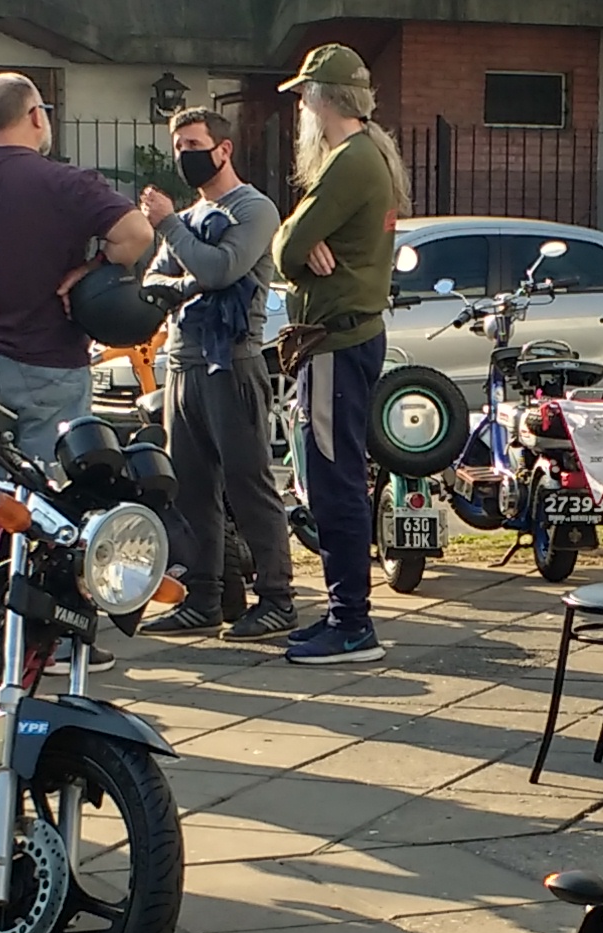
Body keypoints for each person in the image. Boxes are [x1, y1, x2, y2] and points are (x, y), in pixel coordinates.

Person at [270, 43, 406, 665]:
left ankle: (351, 622)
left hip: (335, 341)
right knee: (336, 475)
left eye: (303, 96)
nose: (300, 108)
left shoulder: (348, 161)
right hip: (347, 338)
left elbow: (285, 249)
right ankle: (343, 614)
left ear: (321, 99)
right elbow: (298, 244)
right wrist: (303, 243)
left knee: (334, 482)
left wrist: (300, 244)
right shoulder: (371, 152)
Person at [139, 107, 292, 640]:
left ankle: (277, 599)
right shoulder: (189, 216)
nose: (185, 154)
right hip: (184, 364)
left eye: (194, 144)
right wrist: (188, 280)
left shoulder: (254, 208)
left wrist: (170, 229)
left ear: (223, 149)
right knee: (191, 489)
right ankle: (204, 598)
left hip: (232, 362)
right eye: (178, 145)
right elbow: (155, 280)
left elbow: (221, 269)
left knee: (249, 484)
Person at [0, 71, 151, 457]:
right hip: (49, 358)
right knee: (48, 486)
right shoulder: (65, 182)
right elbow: (137, 233)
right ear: (36, 116)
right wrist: (93, 266)